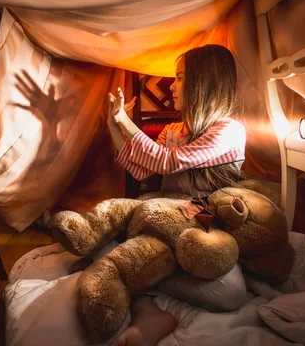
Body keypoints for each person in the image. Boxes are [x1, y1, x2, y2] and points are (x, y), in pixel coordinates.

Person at [106, 44, 248, 346]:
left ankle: (137, 274)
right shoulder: (173, 130)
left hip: (202, 218)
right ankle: (146, 305)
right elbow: (142, 171)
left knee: (232, 292)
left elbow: (169, 161)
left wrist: (125, 122)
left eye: (181, 78)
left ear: (203, 83)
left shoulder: (229, 130)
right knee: (110, 232)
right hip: (163, 211)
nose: (174, 85)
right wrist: (112, 125)